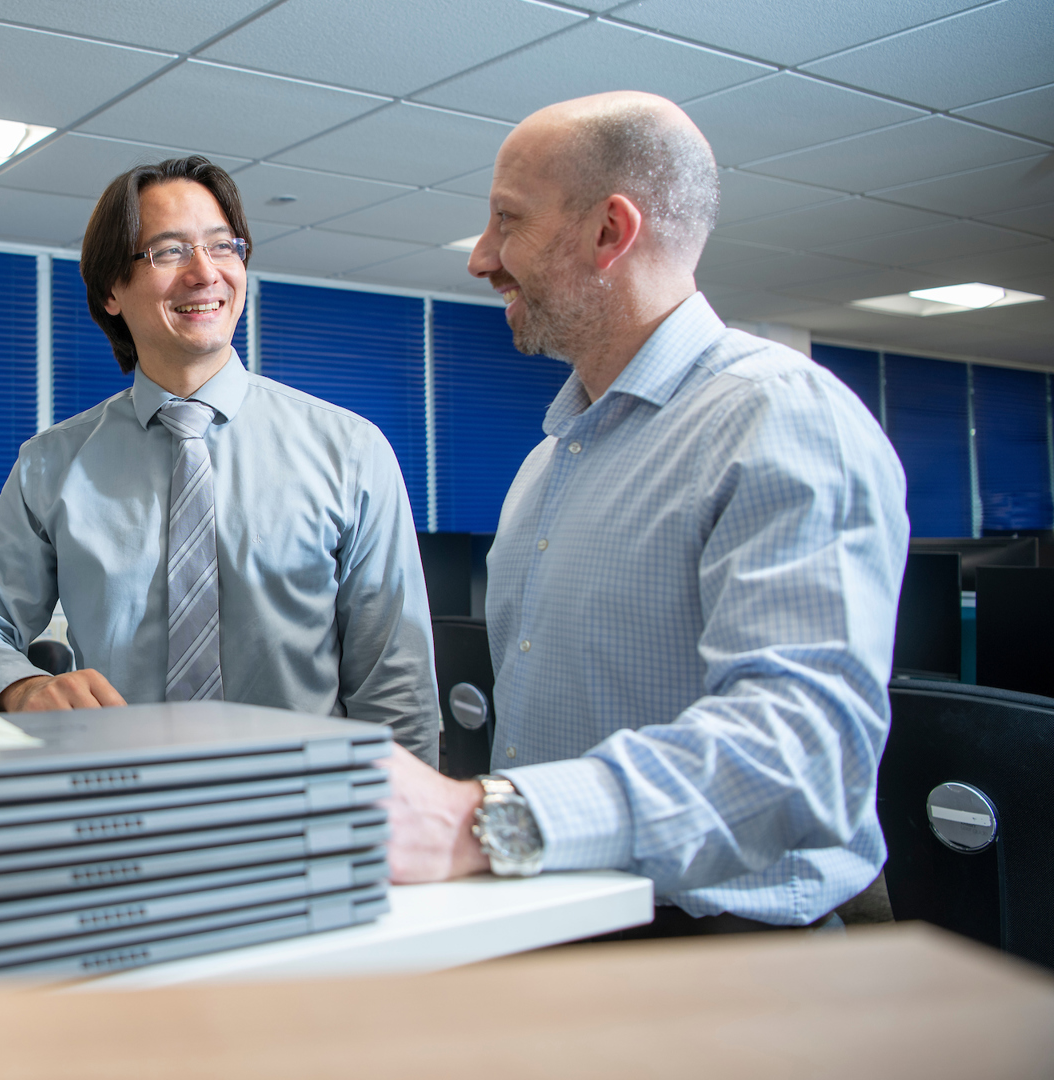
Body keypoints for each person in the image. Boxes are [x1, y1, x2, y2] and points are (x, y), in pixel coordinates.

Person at [378, 92, 908, 933]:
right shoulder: (547, 463)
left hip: (726, 951)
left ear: (609, 231)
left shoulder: (778, 416)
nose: (481, 258)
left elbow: (801, 755)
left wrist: (481, 820)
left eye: (507, 220)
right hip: (553, 914)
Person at [0, 156, 440, 759]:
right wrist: (22, 688)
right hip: (119, 794)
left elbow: (397, 689)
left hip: (304, 800)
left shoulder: (350, 452)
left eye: (223, 246)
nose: (205, 273)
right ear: (111, 290)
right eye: (169, 251)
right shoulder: (51, 465)